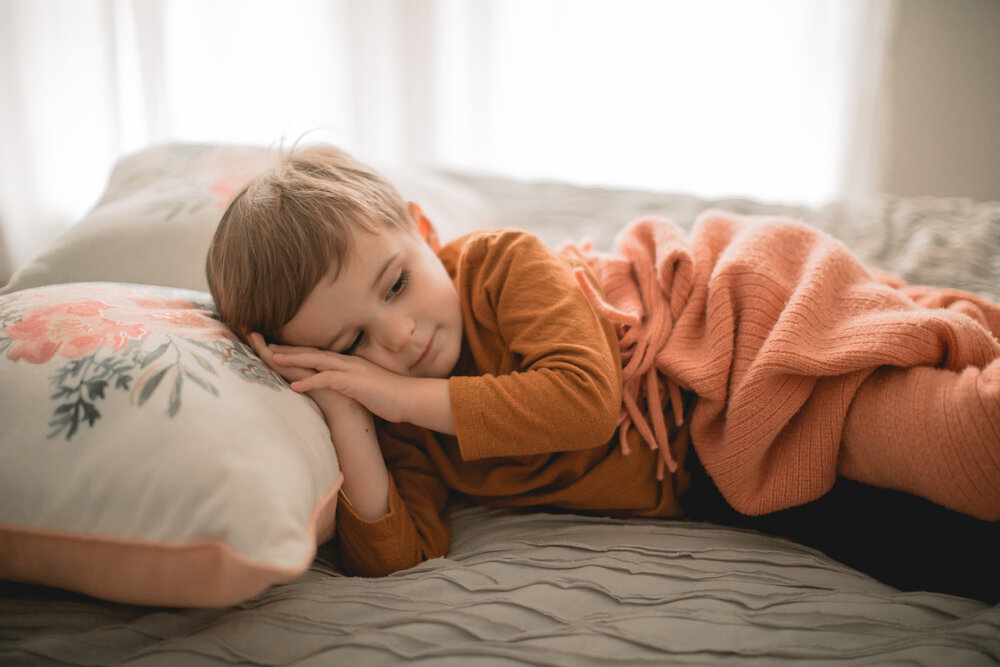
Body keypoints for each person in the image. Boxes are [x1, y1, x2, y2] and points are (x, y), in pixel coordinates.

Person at [206, 144, 1000, 600]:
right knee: (935, 554)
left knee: (958, 437)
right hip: (706, 468)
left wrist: (388, 388)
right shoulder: (399, 421)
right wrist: (351, 417)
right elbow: (400, 558)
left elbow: (584, 402)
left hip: (725, 339)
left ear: (423, 231)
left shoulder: (498, 264)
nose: (402, 335)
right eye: (350, 344)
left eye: (397, 284)